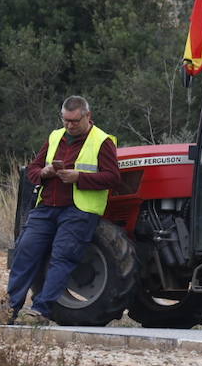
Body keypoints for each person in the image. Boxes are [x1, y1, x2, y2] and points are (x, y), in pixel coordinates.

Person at [7, 96, 120, 324]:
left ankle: (40, 311)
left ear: (88, 116)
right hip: (46, 207)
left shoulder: (102, 141)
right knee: (24, 252)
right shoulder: (55, 136)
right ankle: (9, 308)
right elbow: (33, 170)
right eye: (65, 120)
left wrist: (79, 177)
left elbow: (113, 178)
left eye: (75, 121)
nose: (69, 125)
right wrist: (44, 172)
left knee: (62, 258)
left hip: (79, 211)